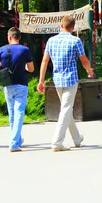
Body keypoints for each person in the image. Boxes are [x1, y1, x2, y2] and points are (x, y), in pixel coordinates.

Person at [37, 15, 93, 152]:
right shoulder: (75, 41)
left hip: (57, 80)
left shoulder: (51, 40)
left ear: (61, 26)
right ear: (73, 28)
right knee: (66, 109)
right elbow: (84, 60)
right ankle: (57, 142)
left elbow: (44, 61)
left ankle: (77, 138)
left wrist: (41, 80)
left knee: (66, 109)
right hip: (71, 79)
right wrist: (89, 71)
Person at [0, 27, 34, 152]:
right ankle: (14, 143)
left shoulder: (2, 49)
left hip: (7, 84)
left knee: (12, 114)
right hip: (21, 85)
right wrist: (23, 65)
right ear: (19, 37)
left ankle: (17, 139)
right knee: (19, 113)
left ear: (9, 37)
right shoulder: (25, 50)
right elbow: (31, 69)